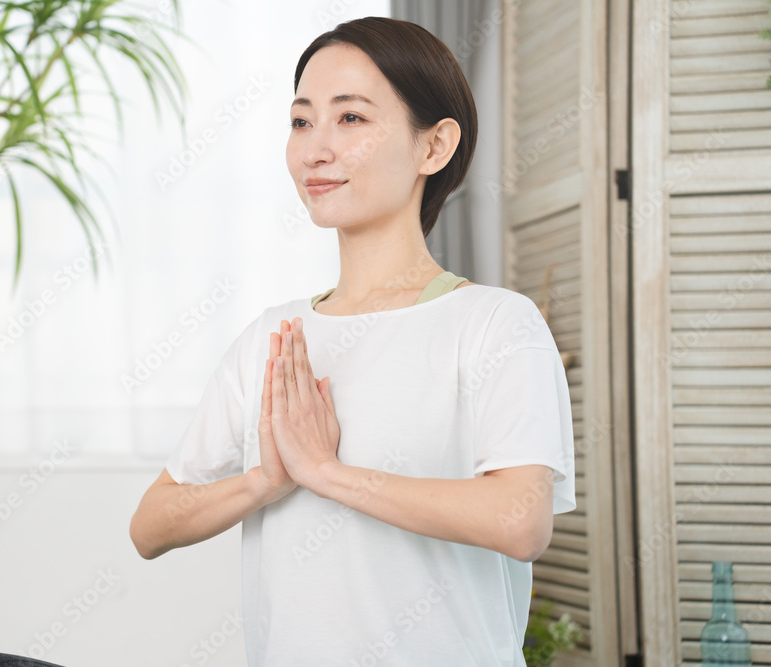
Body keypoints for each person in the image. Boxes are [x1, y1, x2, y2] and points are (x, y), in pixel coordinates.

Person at [129, 15, 576, 667]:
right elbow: (150, 526)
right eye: (301, 121)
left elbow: (520, 519)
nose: (315, 150)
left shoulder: (495, 324)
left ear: (434, 147)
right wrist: (264, 481)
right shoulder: (272, 339)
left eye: (351, 118)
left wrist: (329, 474)